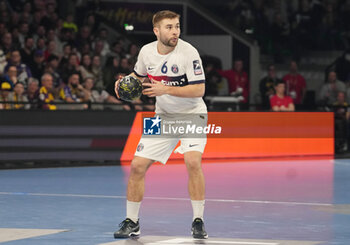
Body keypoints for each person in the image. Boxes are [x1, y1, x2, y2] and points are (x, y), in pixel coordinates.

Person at [113, 10, 208, 239]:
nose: (175, 31)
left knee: (192, 162)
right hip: (162, 116)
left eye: (177, 26)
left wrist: (165, 89)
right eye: (169, 27)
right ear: (157, 31)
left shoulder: (189, 52)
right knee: (136, 166)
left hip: (192, 115)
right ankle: (132, 221)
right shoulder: (146, 51)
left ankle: (198, 221)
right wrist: (124, 83)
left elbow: (199, 89)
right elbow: (138, 75)